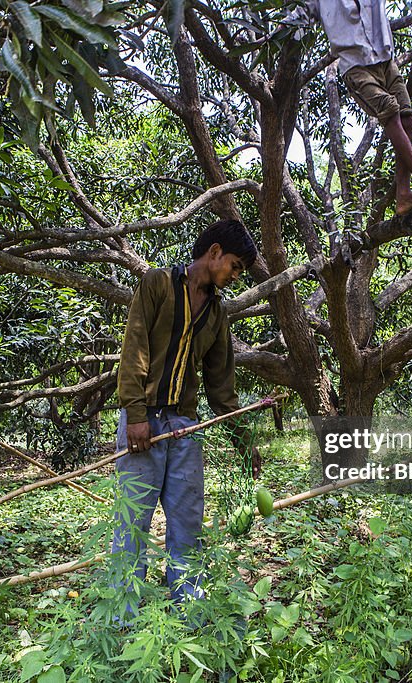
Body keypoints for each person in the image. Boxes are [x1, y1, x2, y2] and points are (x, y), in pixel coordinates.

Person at [113, 219, 261, 602]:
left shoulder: (217, 313)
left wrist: (243, 440)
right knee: (133, 522)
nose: (234, 275)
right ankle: (123, 611)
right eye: (234, 266)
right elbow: (134, 351)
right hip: (144, 422)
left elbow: (221, 385)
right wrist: (137, 415)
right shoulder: (157, 283)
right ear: (214, 252)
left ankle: (188, 603)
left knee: (187, 521)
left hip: (184, 426)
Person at [303, 0, 412, 215]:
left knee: (407, 118)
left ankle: (403, 193)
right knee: (389, 111)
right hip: (355, 65)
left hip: (385, 59)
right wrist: (273, 34)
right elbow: (300, 14)